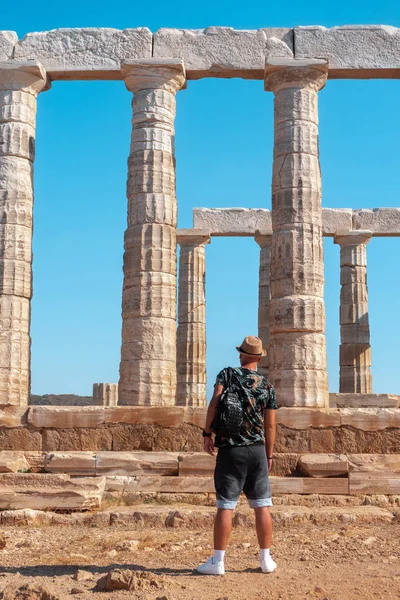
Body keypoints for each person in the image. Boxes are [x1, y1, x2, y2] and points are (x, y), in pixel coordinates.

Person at [196, 335, 278, 576]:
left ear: (242, 355)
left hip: (231, 449)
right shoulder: (267, 386)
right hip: (257, 451)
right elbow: (270, 426)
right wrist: (269, 454)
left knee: (226, 506)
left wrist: (207, 432)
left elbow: (214, 402)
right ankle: (266, 560)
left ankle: (218, 562)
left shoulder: (227, 374)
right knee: (262, 505)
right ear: (259, 358)